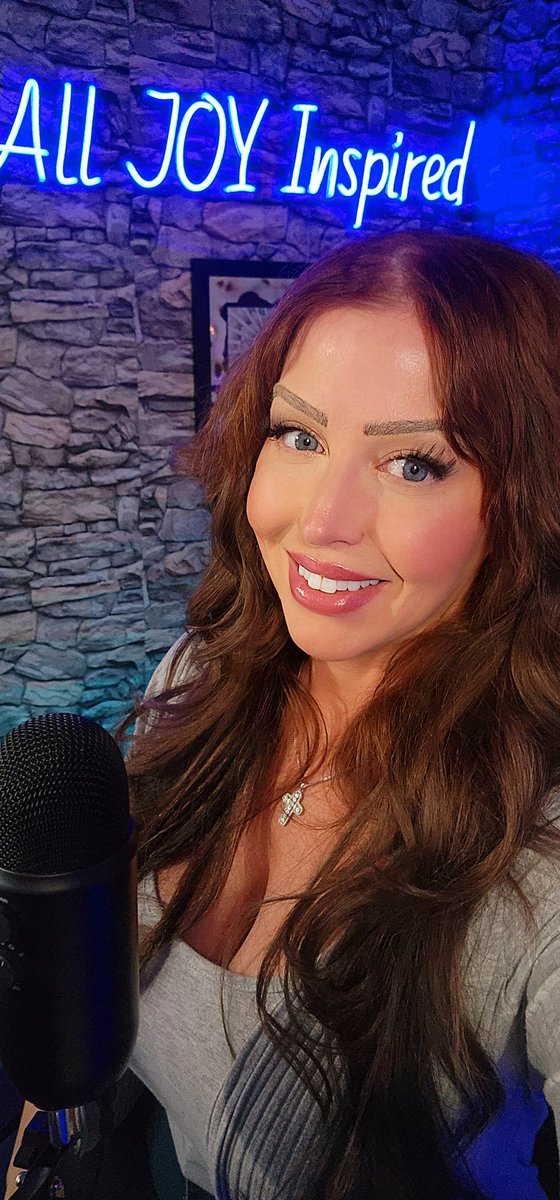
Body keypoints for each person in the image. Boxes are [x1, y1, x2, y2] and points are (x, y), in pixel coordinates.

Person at [5, 229, 560, 1200]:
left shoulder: (536, 857)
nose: (321, 520)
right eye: (298, 436)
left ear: (525, 505)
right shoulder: (199, 679)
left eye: (413, 463)